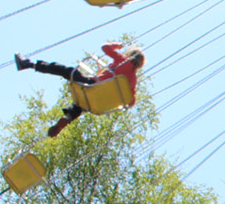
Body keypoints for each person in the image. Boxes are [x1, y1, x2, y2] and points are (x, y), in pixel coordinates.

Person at [14, 42, 145, 137]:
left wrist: (118, 45)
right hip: (98, 103)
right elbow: (131, 102)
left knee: (65, 70)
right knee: (81, 106)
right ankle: (68, 117)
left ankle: (28, 64)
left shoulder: (123, 60)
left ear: (129, 55)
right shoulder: (133, 80)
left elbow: (105, 47)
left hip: (91, 85)